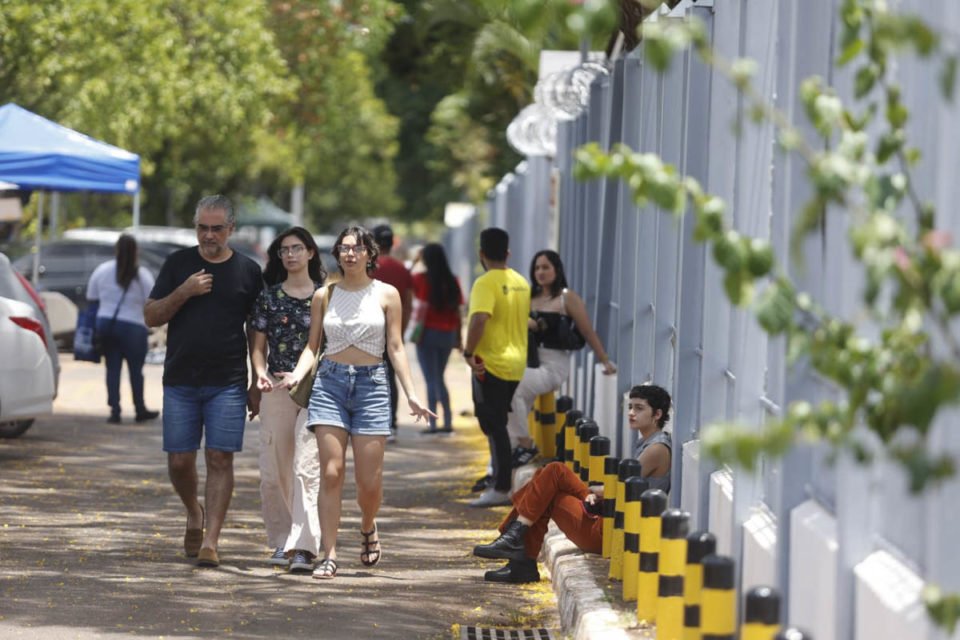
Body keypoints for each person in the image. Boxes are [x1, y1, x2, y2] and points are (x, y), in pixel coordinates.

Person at [283, 226, 434, 580]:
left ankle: (368, 524)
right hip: (330, 385)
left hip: (372, 388)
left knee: (369, 484)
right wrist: (295, 374)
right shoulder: (325, 294)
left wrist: (411, 393)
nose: (350, 253)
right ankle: (328, 554)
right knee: (331, 472)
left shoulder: (387, 294)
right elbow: (312, 346)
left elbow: (395, 347)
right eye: (344, 248)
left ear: (370, 253)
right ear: (337, 254)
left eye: (357, 248)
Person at [144, 195, 264, 568]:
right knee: (180, 461)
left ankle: (211, 539)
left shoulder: (248, 271)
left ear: (231, 229)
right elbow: (151, 316)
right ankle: (193, 512)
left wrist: (257, 380)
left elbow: (257, 330)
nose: (208, 235)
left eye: (216, 228)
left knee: (219, 457)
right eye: (202, 227)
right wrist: (184, 291)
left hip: (227, 381)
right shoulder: (178, 264)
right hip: (180, 378)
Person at [473, 383, 672, 583]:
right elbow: (622, 487)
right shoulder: (647, 443)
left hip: (613, 533)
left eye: (639, 408)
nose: (631, 413)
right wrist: (598, 491)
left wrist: (596, 490)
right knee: (550, 476)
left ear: (657, 414)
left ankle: (515, 546)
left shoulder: (657, 449)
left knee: (551, 478)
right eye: (630, 407)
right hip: (608, 520)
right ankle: (517, 552)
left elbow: (620, 490)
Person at [249, 227, 324, 572]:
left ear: (310, 252)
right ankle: (282, 541)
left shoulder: (325, 296)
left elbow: (320, 344)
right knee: (274, 468)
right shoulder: (269, 297)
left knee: (306, 467)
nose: (290, 255)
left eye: (297, 248)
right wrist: (259, 373)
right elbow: (258, 346)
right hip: (276, 389)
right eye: (284, 250)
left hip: (317, 389)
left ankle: (304, 546)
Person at [507, 249, 617, 466]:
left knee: (513, 387)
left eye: (546, 267)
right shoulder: (528, 297)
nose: (540, 272)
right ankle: (507, 461)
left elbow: (587, 331)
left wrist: (604, 360)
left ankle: (526, 445)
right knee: (507, 403)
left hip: (553, 365)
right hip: (528, 362)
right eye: (537, 267)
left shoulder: (567, 298)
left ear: (557, 269)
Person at [463, 227, 530, 508]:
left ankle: (501, 486)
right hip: (516, 363)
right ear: (508, 252)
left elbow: (480, 318)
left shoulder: (485, 282)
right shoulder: (521, 281)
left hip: (489, 363)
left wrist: (468, 352)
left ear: (481, 254)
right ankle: (499, 482)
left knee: (495, 425)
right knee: (496, 422)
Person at [85, 234, 159, 424]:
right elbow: (151, 301)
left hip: (106, 325)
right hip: (133, 327)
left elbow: (91, 297)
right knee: (136, 370)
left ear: (116, 250)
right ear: (136, 252)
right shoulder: (142, 275)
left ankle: (115, 410)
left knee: (112, 368)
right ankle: (139, 409)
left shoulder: (102, 271)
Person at [412, 243, 463, 435]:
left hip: (426, 334)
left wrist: (415, 261)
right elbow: (458, 312)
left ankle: (432, 424)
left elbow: (407, 280)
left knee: (431, 379)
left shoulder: (421, 279)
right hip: (448, 335)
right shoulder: (453, 280)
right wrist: (459, 338)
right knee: (440, 377)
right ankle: (448, 421)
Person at [370, 224, 414, 443]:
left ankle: (369, 422)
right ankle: (392, 424)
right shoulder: (402, 269)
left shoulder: (368, 268)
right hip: (392, 332)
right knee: (390, 378)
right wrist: (401, 331)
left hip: (369, 333)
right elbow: (408, 303)